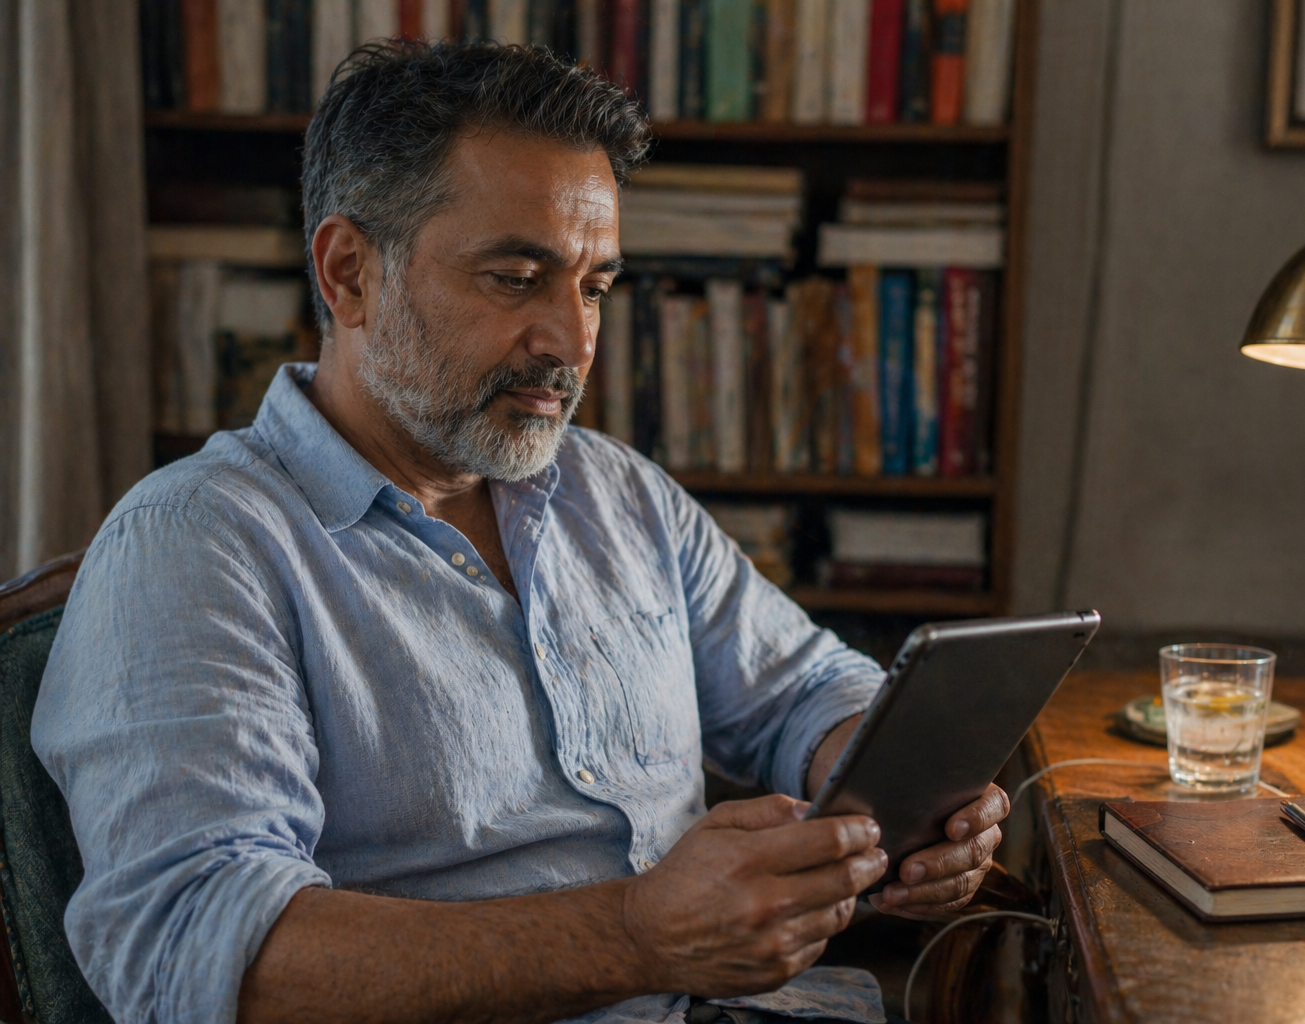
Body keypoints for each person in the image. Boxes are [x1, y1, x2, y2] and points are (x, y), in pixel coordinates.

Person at [33, 42, 1008, 1024]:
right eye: (516, 277)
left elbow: (804, 688)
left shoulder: (613, 492)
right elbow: (201, 954)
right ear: (349, 272)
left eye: (593, 286)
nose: (573, 342)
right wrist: (638, 933)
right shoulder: (195, 545)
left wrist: (910, 801)